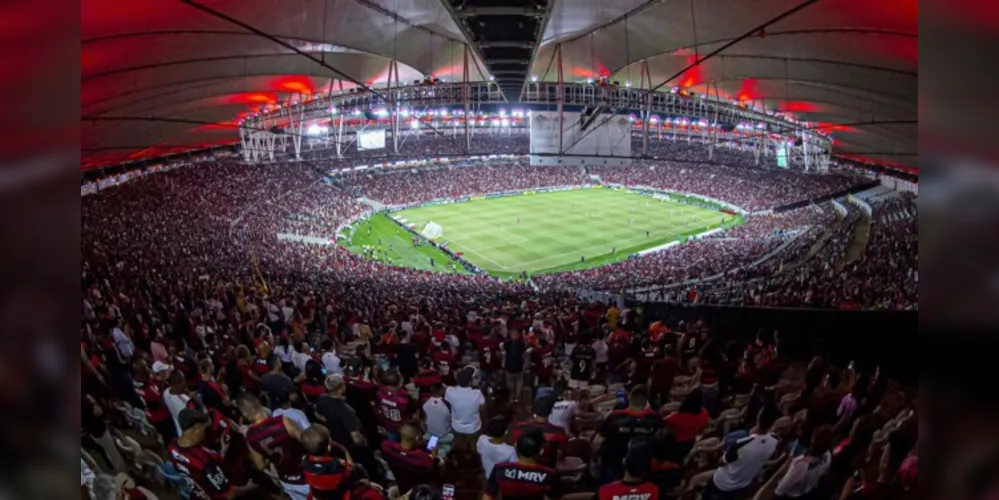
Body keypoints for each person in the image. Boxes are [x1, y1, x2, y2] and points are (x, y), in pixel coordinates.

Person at [703, 403, 781, 500]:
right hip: (741, 485)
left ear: (759, 416)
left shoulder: (741, 443)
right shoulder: (774, 442)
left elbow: (721, 462)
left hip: (722, 482)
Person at [239, 393, 310, 500]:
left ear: (244, 414)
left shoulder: (250, 437)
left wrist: (270, 453)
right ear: (259, 403)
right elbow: (306, 440)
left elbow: (260, 465)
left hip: (289, 481)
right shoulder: (282, 421)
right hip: (307, 472)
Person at [167, 408, 244, 500]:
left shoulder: (172, 446)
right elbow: (230, 494)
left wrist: (222, 451)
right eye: (203, 428)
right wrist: (253, 485)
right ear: (197, 428)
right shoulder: (205, 462)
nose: (205, 432)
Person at [598, 385, 663, 485]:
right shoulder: (656, 419)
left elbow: (598, 441)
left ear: (630, 399)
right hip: (640, 467)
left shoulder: (614, 417)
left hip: (613, 463)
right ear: (646, 402)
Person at [301, 425, 385, 500]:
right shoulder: (337, 465)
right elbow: (351, 469)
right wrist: (345, 451)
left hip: (320, 495)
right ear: (329, 447)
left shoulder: (305, 461)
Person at [484, 429, 561, 500]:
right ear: (541, 451)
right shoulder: (550, 475)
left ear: (516, 446)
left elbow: (487, 497)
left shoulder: (500, 470)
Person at [381, 421, 442, 495]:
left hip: (403, 488)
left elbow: (404, 454)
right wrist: (434, 457)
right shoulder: (424, 461)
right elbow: (434, 471)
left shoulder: (387, 448)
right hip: (420, 491)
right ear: (417, 438)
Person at [774, 425, 833, 499]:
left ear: (813, 438)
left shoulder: (802, 464)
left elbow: (780, 490)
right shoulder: (828, 455)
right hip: (807, 490)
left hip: (791, 495)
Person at [511, 396, 568, 469]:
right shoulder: (559, 432)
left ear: (533, 410)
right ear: (551, 411)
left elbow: (514, 449)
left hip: (521, 470)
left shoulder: (519, 428)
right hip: (548, 473)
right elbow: (560, 454)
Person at [444, 367, 485, 457]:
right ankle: (474, 465)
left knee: (459, 450)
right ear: (470, 381)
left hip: (457, 427)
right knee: (475, 450)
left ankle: (461, 464)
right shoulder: (477, 393)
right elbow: (482, 408)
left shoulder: (450, 391)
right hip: (474, 427)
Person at [133, 359, 176, 444]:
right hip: (160, 416)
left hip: (150, 413)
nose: (148, 368)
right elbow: (162, 399)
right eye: (145, 367)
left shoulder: (137, 381)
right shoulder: (148, 387)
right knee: (170, 436)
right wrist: (162, 382)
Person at [664, 389, 710, 460]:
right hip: (690, 443)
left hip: (673, 442)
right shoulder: (704, 414)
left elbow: (664, 422)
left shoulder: (676, 417)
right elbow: (703, 427)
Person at [376, 370, 416, 442]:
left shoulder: (378, 391)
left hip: (386, 424)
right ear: (400, 384)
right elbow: (412, 411)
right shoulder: (404, 397)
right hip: (400, 426)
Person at [477, 415, 518, 480]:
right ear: (505, 432)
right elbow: (514, 468)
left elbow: (479, 451)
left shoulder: (482, 439)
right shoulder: (510, 450)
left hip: (487, 475)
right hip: (502, 479)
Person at [421, 383, 454, 458]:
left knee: (432, 452)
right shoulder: (447, 403)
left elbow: (423, 417)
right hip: (444, 435)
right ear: (441, 391)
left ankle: (433, 455)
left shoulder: (424, 401)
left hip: (431, 434)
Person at [164, 370, 193, 437]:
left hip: (178, 428)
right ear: (178, 383)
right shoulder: (184, 404)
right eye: (183, 380)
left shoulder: (166, 392)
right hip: (187, 433)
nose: (185, 383)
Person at [502, 329, 528, 403]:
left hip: (509, 367)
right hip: (518, 367)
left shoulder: (506, 344)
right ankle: (517, 397)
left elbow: (504, 353)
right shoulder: (521, 344)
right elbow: (524, 353)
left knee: (510, 383)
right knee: (519, 382)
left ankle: (512, 397)